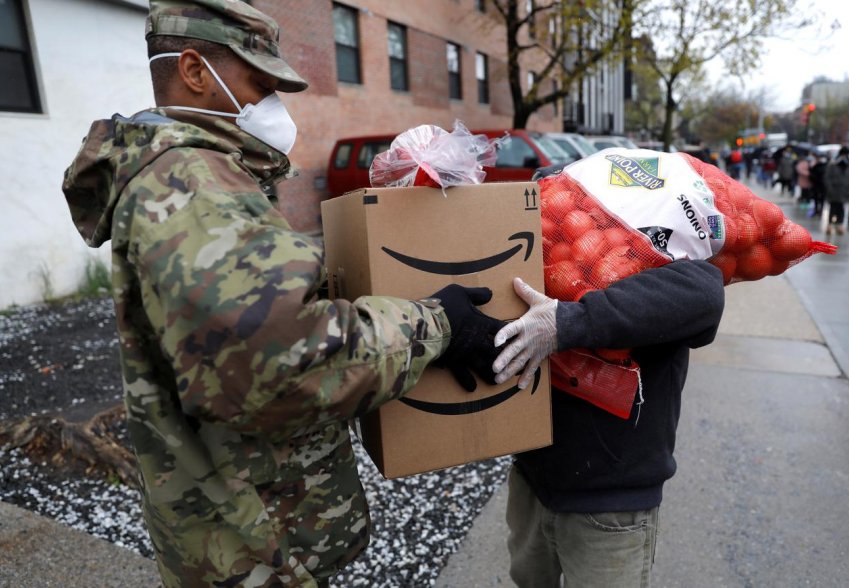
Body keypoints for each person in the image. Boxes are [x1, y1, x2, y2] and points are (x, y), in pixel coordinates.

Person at [62, 1, 504, 586]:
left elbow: (233, 323)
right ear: (195, 72)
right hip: (251, 551)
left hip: (239, 530)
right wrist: (435, 325)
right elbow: (278, 362)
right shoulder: (193, 183)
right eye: (261, 83)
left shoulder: (192, 174)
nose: (275, 105)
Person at [491, 252, 725, 583]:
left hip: (613, 502)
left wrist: (568, 322)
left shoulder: (661, 225)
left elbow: (705, 294)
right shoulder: (561, 207)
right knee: (527, 578)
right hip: (532, 480)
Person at [824, 146, 849, 235]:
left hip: (845, 191)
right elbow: (827, 177)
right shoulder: (833, 163)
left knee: (841, 208)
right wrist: (829, 187)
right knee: (832, 208)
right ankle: (830, 225)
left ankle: (839, 224)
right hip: (833, 191)